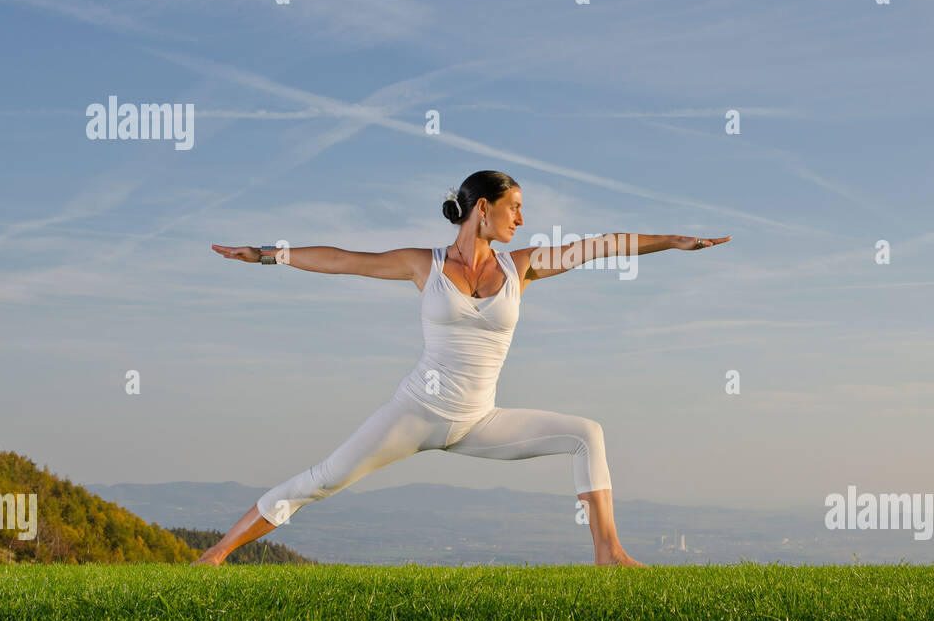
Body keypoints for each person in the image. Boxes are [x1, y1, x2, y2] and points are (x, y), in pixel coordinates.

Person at [193, 169, 730, 567]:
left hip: (479, 421)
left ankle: (609, 554)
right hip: (415, 412)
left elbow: (595, 248)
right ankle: (215, 555)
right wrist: (266, 254)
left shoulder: (521, 266)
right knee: (323, 479)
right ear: (482, 209)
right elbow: (341, 258)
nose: (521, 219)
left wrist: (673, 242)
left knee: (588, 434)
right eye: (514, 207)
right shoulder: (422, 264)